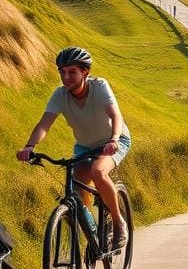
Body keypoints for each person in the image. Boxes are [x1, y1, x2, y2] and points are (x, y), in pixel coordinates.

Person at [17, 47, 131, 250]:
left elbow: (115, 116)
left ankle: (118, 222)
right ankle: (94, 235)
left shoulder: (99, 86)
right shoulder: (60, 95)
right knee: (75, 192)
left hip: (114, 141)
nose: (65, 77)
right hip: (85, 147)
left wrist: (114, 139)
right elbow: (44, 124)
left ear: (84, 72)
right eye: (62, 72)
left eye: (71, 72)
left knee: (98, 171)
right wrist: (30, 146)